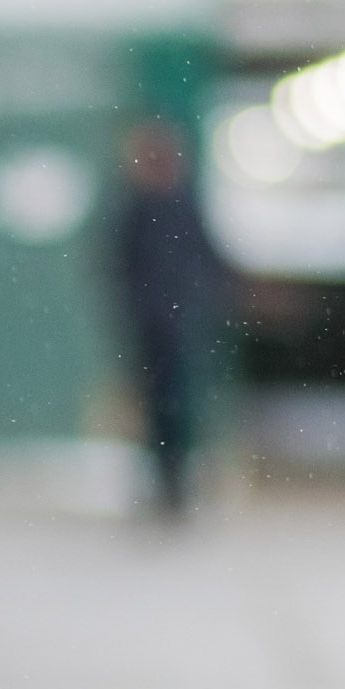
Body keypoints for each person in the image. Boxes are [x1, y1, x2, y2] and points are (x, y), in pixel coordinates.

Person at [109, 121, 223, 518]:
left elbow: (202, 256)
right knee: (159, 406)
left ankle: (175, 481)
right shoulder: (141, 207)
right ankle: (165, 481)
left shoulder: (174, 205)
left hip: (175, 323)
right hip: (152, 324)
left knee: (174, 405)